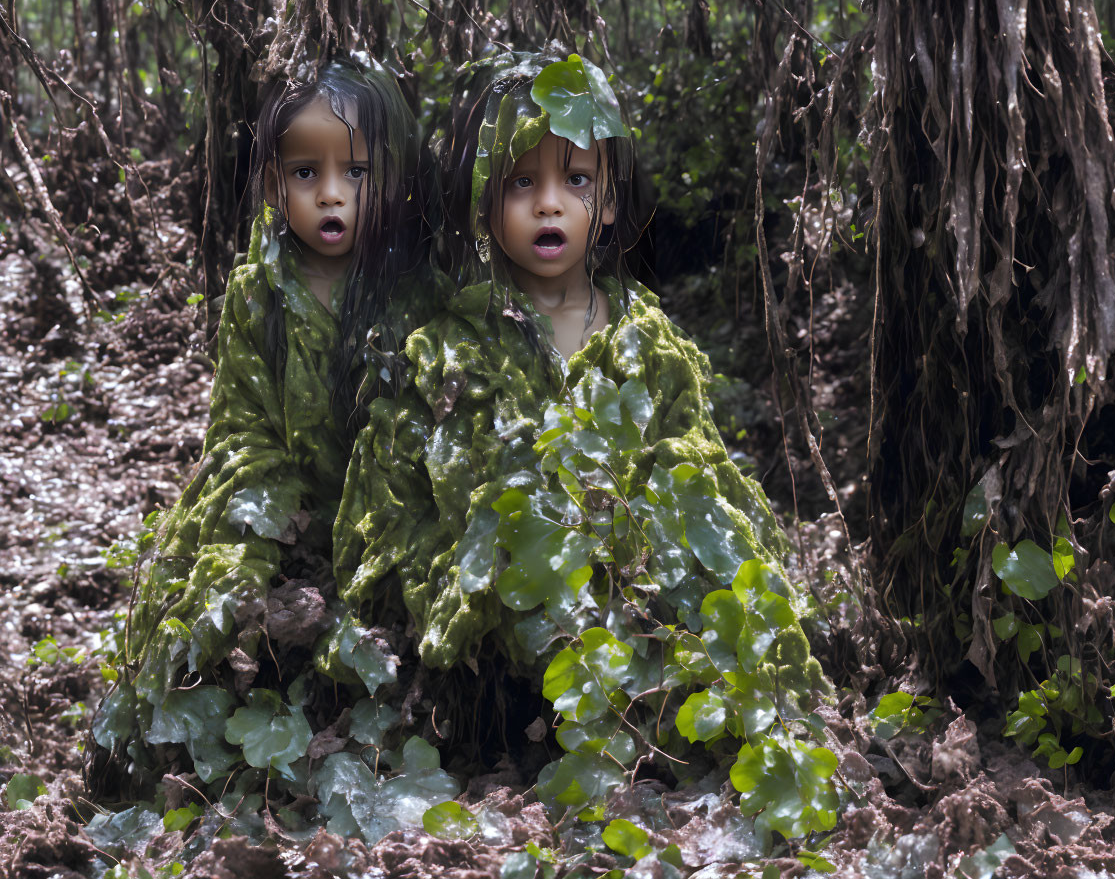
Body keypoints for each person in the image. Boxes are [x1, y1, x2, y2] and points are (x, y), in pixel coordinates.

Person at [331, 49, 830, 789]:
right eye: (521, 182)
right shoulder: (444, 348)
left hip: (643, 622)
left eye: (576, 179)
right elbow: (397, 509)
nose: (549, 203)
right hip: (498, 650)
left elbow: (696, 474)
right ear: (479, 201)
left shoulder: (647, 337)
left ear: (610, 201)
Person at [87, 57, 442, 798]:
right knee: (207, 611)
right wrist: (266, 528)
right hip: (280, 517)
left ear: (398, 179)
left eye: (358, 171)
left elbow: (428, 416)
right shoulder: (257, 293)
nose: (333, 193)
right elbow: (239, 422)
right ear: (277, 184)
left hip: (388, 525)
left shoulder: (414, 292)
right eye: (307, 172)